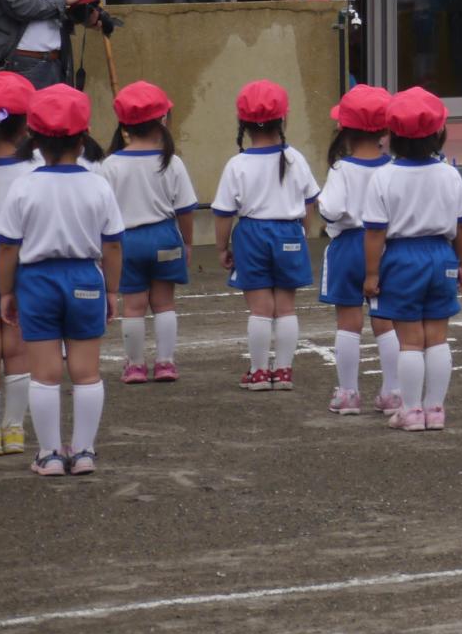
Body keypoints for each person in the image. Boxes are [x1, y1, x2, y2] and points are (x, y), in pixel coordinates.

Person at [0, 84, 122, 476]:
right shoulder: (97, 184)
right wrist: (113, 290)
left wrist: (5, 292)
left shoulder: (24, 185)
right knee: (86, 372)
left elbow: (7, 248)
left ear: (33, 140)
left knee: (44, 373)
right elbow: (113, 244)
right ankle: (84, 452)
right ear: (83, 139)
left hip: (36, 280)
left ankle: (49, 455)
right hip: (86, 277)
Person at [362, 88, 462, 432]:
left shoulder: (384, 176)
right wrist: (461, 264)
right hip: (442, 254)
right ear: (439, 133)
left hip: (402, 257)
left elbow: (375, 233)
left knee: (409, 339)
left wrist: (371, 273)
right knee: (437, 336)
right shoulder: (449, 174)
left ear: (392, 135)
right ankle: (435, 409)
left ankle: (410, 411)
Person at [213, 81, 319, 393]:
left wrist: (222, 247)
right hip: (289, 231)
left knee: (260, 308)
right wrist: (303, 230)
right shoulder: (295, 158)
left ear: (242, 123)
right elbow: (310, 200)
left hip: (251, 235)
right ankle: (283, 371)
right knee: (285, 307)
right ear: (284, 119)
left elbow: (222, 212)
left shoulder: (237, 164)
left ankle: (259, 372)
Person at [101, 82, 197, 386]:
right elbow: (185, 209)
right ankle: (166, 363)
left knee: (133, 305)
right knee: (164, 303)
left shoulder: (111, 164)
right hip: (165, 237)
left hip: (126, 241)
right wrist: (189, 242)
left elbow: (102, 212)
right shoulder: (172, 161)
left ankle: (135, 366)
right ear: (163, 120)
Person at [317, 84, 396, 415]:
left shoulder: (341, 169)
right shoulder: (393, 167)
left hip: (348, 246)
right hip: (387, 247)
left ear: (344, 128)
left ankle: (348, 394)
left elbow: (331, 210)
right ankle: (393, 392)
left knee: (348, 322)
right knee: (387, 321)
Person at [0, 71, 38, 457]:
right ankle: (15, 431)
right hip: (24, 262)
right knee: (17, 349)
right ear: (26, 123)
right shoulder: (33, 170)